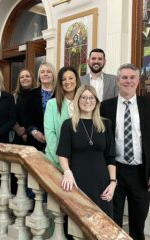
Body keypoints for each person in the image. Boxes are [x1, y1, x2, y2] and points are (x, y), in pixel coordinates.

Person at [100, 63, 150, 240]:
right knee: (113, 220)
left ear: (138, 81)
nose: (128, 81)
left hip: (141, 173)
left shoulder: (149, 104)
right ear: (118, 81)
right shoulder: (106, 106)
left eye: (132, 77)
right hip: (114, 172)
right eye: (124, 78)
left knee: (138, 222)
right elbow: (102, 143)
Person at [57, 85, 116, 217]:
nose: (87, 101)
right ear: (77, 100)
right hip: (77, 181)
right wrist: (67, 172)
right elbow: (63, 154)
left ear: (96, 101)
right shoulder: (69, 124)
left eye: (91, 98)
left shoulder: (105, 124)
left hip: (102, 183)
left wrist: (113, 183)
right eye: (83, 97)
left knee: (102, 224)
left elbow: (110, 157)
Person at [44, 66, 81, 170]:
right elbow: (50, 134)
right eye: (63, 79)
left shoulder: (84, 103)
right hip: (56, 161)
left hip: (80, 161)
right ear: (60, 83)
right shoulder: (52, 104)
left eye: (71, 78)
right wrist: (61, 159)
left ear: (77, 80)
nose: (67, 82)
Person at [24, 62, 56, 151]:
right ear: (39, 75)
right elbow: (25, 117)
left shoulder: (60, 94)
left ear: (53, 74)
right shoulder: (31, 94)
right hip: (35, 142)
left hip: (56, 141)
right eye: (42, 72)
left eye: (48, 71)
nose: (45, 74)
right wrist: (34, 132)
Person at [12, 69, 36, 145]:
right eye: (22, 77)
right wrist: (18, 129)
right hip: (17, 135)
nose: (24, 78)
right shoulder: (14, 96)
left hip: (35, 135)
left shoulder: (38, 94)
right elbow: (10, 116)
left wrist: (28, 131)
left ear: (32, 78)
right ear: (19, 80)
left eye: (27, 76)